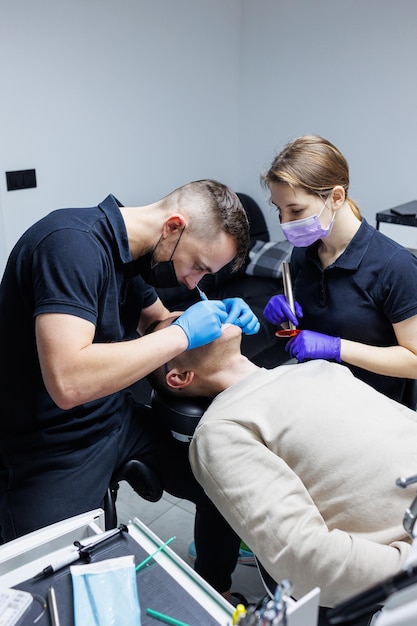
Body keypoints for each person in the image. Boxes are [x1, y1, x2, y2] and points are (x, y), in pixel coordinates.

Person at [0, 179, 260, 599]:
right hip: (47, 444)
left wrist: (209, 320)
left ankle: (213, 593)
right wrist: (182, 336)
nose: (193, 283)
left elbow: (158, 323)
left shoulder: (132, 255)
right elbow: (69, 381)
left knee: (226, 483)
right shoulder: (70, 246)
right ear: (173, 227)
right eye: (198, 265)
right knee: (50, 586)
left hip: (115, 417)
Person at [146, 315, 417, 611]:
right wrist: (409, 571)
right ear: (179, 376)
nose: (205, 311)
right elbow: (305, 561)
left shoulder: (317, 368)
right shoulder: (222, 429)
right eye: (181, 323)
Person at [262, 135, 417, 408]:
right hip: (318, 396)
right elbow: (305, 328)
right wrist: (282, 315)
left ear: (336, 197)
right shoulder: (304, 252)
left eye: (295, 211)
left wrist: (337, 348)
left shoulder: (395, 266)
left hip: (378, 408)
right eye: (279, 211)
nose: (285, 223)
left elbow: (414, 361)